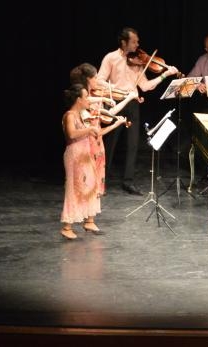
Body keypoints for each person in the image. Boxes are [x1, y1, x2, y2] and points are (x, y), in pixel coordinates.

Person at [98, 27, 180, 195]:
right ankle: (101, 181)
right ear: (123, 42)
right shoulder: (111, 58)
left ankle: (128, 181)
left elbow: (145, 86)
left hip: (133, 104)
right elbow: (99, 80)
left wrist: (165, 75)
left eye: (137, 41)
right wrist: (115, 89)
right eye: (134, 41)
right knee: (110, 143)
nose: (138, 44)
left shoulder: (138, 62)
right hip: (116, 103)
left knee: (133, 144)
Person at [60, 83, 129, 240]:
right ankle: (67, 226)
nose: (88, 100)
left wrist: (116, 124)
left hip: (85, 155)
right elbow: (71, 134)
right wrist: (88, 129)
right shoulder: (70, 115)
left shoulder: (82, 115)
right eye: (86, 97)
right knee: (74, 189)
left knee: (90, 187)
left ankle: (88, 220)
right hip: (75, 155)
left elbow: (97, 133)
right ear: (78, 100)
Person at [69, 63, 139, 198]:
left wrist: (128, 98)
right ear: (88, 80)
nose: (99, 81)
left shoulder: (93, 95)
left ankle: (91, 216)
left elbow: (109, 112)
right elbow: (89, 102)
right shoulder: (83, 98)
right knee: (87, 182)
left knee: (97, 178)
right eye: (95, 78)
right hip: (87, 141)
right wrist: (104, 98)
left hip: (98, 142)